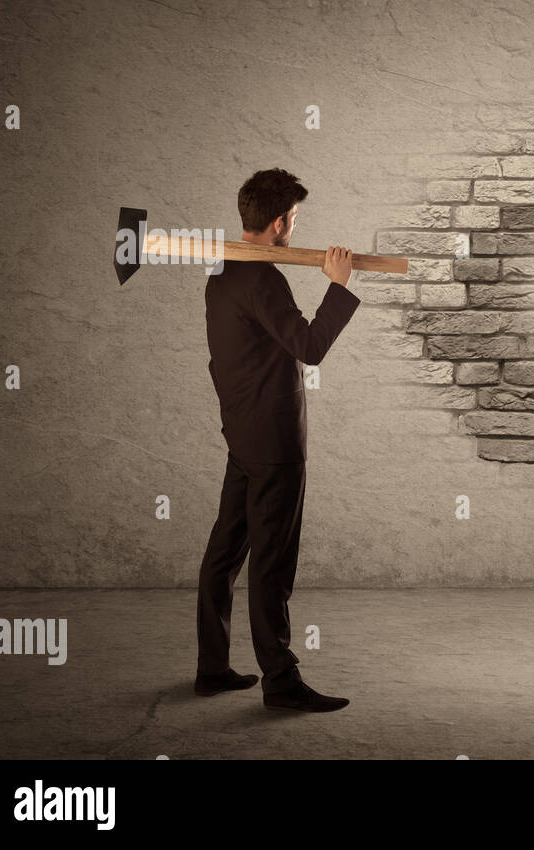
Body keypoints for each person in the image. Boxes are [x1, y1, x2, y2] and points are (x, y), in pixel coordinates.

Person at [194, 168, 360, 712]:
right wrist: (338, 284)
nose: (296, 226)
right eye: (295, 218)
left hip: (241, 435)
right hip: (274, 445)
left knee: (225, 554)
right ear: (279, 221)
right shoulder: (262, 278)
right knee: (272, 564)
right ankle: (281, 683)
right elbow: (309, 346)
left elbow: (230, 358)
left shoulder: (222, 269)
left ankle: (212, 668)